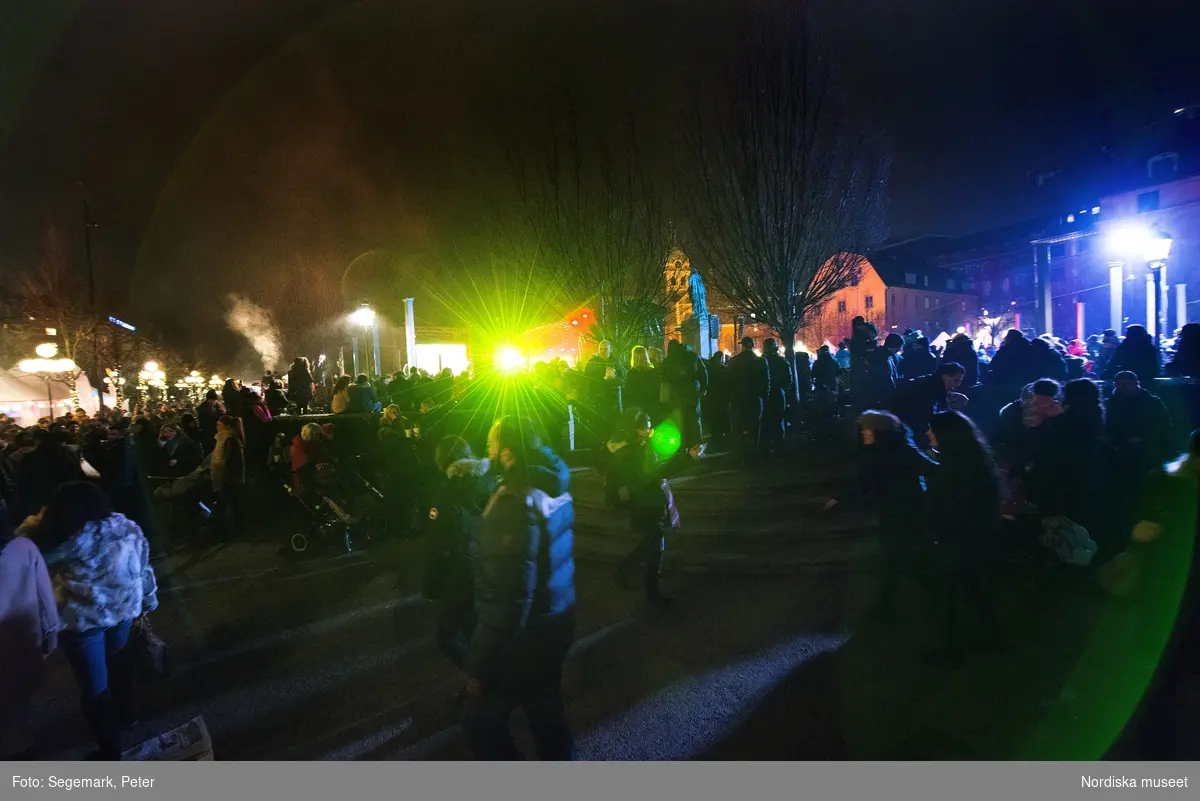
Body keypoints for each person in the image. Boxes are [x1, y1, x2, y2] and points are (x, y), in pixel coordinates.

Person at [463, 417, 576, 760]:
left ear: (509, 454)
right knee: (546, 714)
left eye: (492, 444)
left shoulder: (513, 502)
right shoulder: (553, 482)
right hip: (556, 618)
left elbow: (507, 597)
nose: (488, 450)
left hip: (525, 637)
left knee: (481, 725)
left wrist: (478, 665)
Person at [35, 481, 157, 759]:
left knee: (94, 686)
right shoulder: (126, 526)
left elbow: (30, 555)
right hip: (123, 612)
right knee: (119, 663)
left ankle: (109, 749)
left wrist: (37, 520)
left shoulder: (69, 540)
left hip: (83, 620)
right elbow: (144, 567)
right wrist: (149, 600)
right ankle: (127, 716)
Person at [924, 411, 1003, 666]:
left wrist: (936, 534)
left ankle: (949, 651)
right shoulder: (974, 460)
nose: (928, 434)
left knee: (945, 594)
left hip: (957, 540)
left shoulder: (953, 469)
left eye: (933, 430)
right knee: (974, 589)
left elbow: (947, 507)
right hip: (975, 538)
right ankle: (994, 636)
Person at [850, 411, 938, 619]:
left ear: (879, 431)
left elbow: (931, 469)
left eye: (867, 428)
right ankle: (931, 589)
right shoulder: (878, 453)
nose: (863, 432)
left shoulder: (902, 451)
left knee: (896, 560)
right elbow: (865, 481)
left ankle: (884, 606)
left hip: (906, 514)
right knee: (897, 560)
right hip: (892, 513)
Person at [423, 436, 496, 669]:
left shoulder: (446, 491)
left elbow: (438, 542)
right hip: (487, 563)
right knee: (474, 628)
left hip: (459, 570)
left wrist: (431, 584)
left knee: (447, 635)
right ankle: (484, 676)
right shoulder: (488, 481)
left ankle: (480, 678)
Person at [601, 410, 679, 606]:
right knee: (655, 544)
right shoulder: (632, 453)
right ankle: (651, 592)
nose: (650, 430)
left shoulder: (638, 449)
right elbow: (647, 476)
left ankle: (625, 572)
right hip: (645, 504)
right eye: (646, 427)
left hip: (647, 503)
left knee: (651, 542)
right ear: (637, 430)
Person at [0, 513, 58, 758]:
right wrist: (51, 637)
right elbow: (46, 598)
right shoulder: (24, 548)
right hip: (24, 643)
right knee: (19, 706)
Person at [1027, 379, 1106, 537]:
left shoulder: (1060, 419)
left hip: (1057, 474)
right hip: (1085, 472)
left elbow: (1045, 445)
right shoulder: (1096, 414)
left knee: (1056, 516)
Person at [891, 362, 966, 442]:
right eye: (956, 381)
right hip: (899, 429)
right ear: (945, 376)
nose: (958, 385)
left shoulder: (931, 385)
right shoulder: (928, 390)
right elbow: (921, 421)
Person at [725, 337, 769, 462]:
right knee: (754, 427)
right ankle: (753, 453)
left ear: (742, 346)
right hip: (754, 398)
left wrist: (730, 396)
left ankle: (739, 454)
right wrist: (764, 396)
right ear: (753, 346)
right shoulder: (760, 361)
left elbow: (727, 381)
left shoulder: (734, 362)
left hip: (737, 399)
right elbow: (766, 381)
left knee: (737, 427)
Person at [661, 340, 709, 454]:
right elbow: (703, 372)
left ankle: (682, 449)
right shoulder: (692, 356)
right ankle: (696, 448)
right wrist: (703, 389)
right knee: (694, 421)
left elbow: (664, 379)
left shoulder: (668, 360)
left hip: (676, 396)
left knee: (679, 423)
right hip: (692, 393)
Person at [210, 416, 246, 540]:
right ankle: (235, 530)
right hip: (226, 477)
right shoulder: (222, 438)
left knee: (226, 505)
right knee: (232, 505)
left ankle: (228, 532)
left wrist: (225, 476)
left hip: (227, 478)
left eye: (219, 425)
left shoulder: (229, 439)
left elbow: (231, 461)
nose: (217, 427)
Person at [760, 338, 793, 455]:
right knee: (779, 418)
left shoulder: (761, 361)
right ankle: (779, 445)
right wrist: (783, 389)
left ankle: (765, 446)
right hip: (779, 393)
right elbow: (789, 379)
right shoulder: (782, 361)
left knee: (765, 419)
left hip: (765, 394)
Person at [864, 333, 904, 410]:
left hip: (884, 397)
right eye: (898, 347)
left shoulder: (886, 355)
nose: (899, 350)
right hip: (882, 398)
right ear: (893, 345)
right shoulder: (881, 357)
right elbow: (883, 379)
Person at [624, 346, 661, 423]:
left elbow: (628, 392)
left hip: (637, 409)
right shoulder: (653, 372)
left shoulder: (631, 373)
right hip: (652, 408)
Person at [703, 351, 730, 446]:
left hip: (713, 397)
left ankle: (716, 437)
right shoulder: (720, 369)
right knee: (720, 417)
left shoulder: (708, 367)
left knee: (715, 418)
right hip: (719, 397)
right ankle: (720, 437)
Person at [195, 390, 223, 454]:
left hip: (216, 432)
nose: (213, 402)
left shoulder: (218, 408)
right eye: (211, 400)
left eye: (214, 400)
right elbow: (204, 422)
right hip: (208, 433)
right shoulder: (203, 409)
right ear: (207, 400)